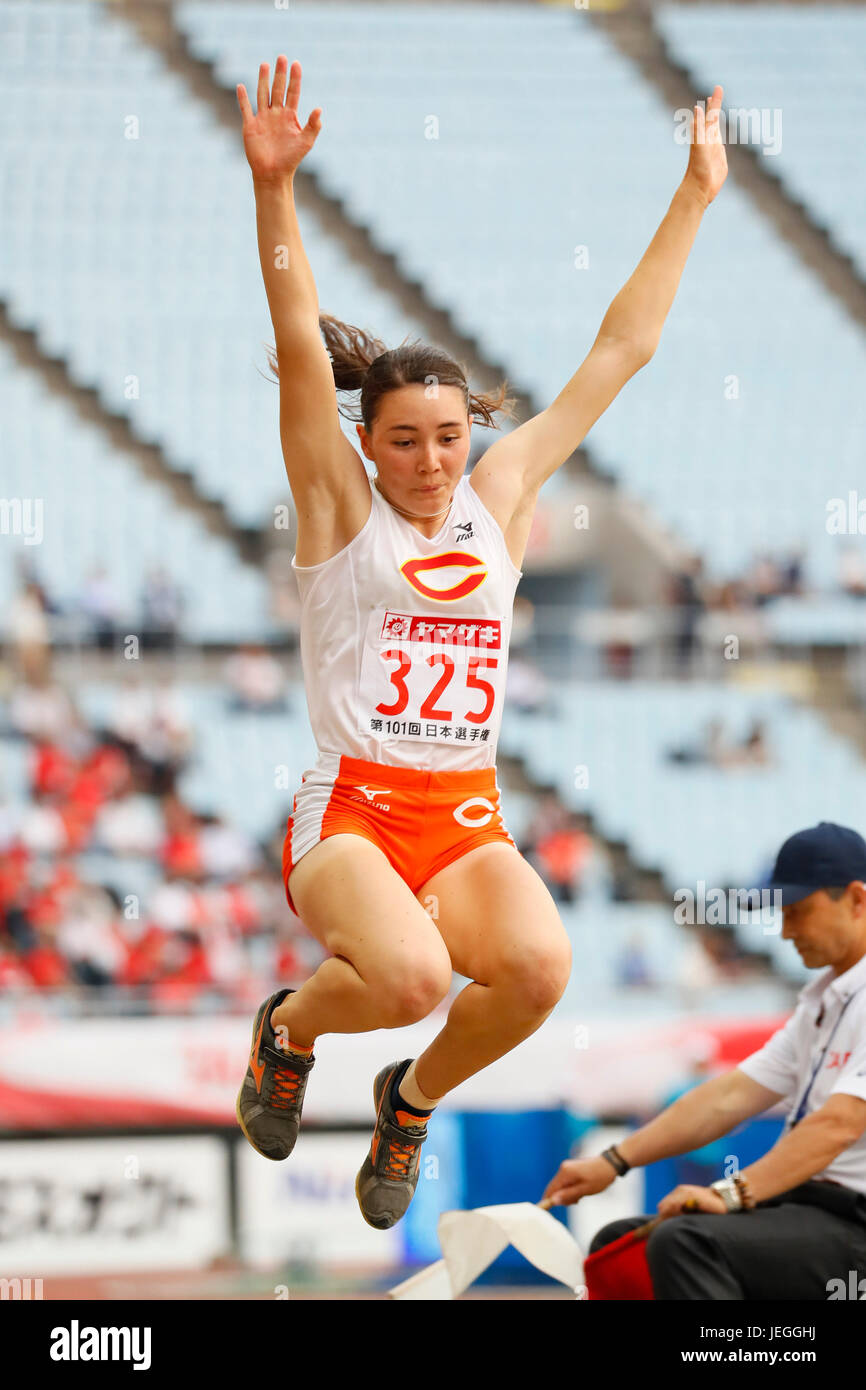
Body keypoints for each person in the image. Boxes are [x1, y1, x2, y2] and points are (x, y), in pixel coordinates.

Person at [233, 55, 729, 1229]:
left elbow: (620, 353)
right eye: (403, 441)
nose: (430, 462)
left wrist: (696, 195)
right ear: (368, 445)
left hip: (462, 807)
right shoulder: (337, 509)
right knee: (404, 976)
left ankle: (408, 1104)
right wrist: (273, 191)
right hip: (351, 803)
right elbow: (302, 344)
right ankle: (286, 1031)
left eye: (446, 436)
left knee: (538, 970)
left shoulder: (499, 494)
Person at [542, 822, 866, 1300]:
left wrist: (730, 1193)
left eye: (798, 911)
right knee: (618, 1243)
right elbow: (728, 1096)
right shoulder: (823, 1002)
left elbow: (839, 1124)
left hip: (853, 1221)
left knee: (686, 1242)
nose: (785, 930)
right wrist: (613, 1161)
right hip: (812, 1208)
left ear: (858, 900)